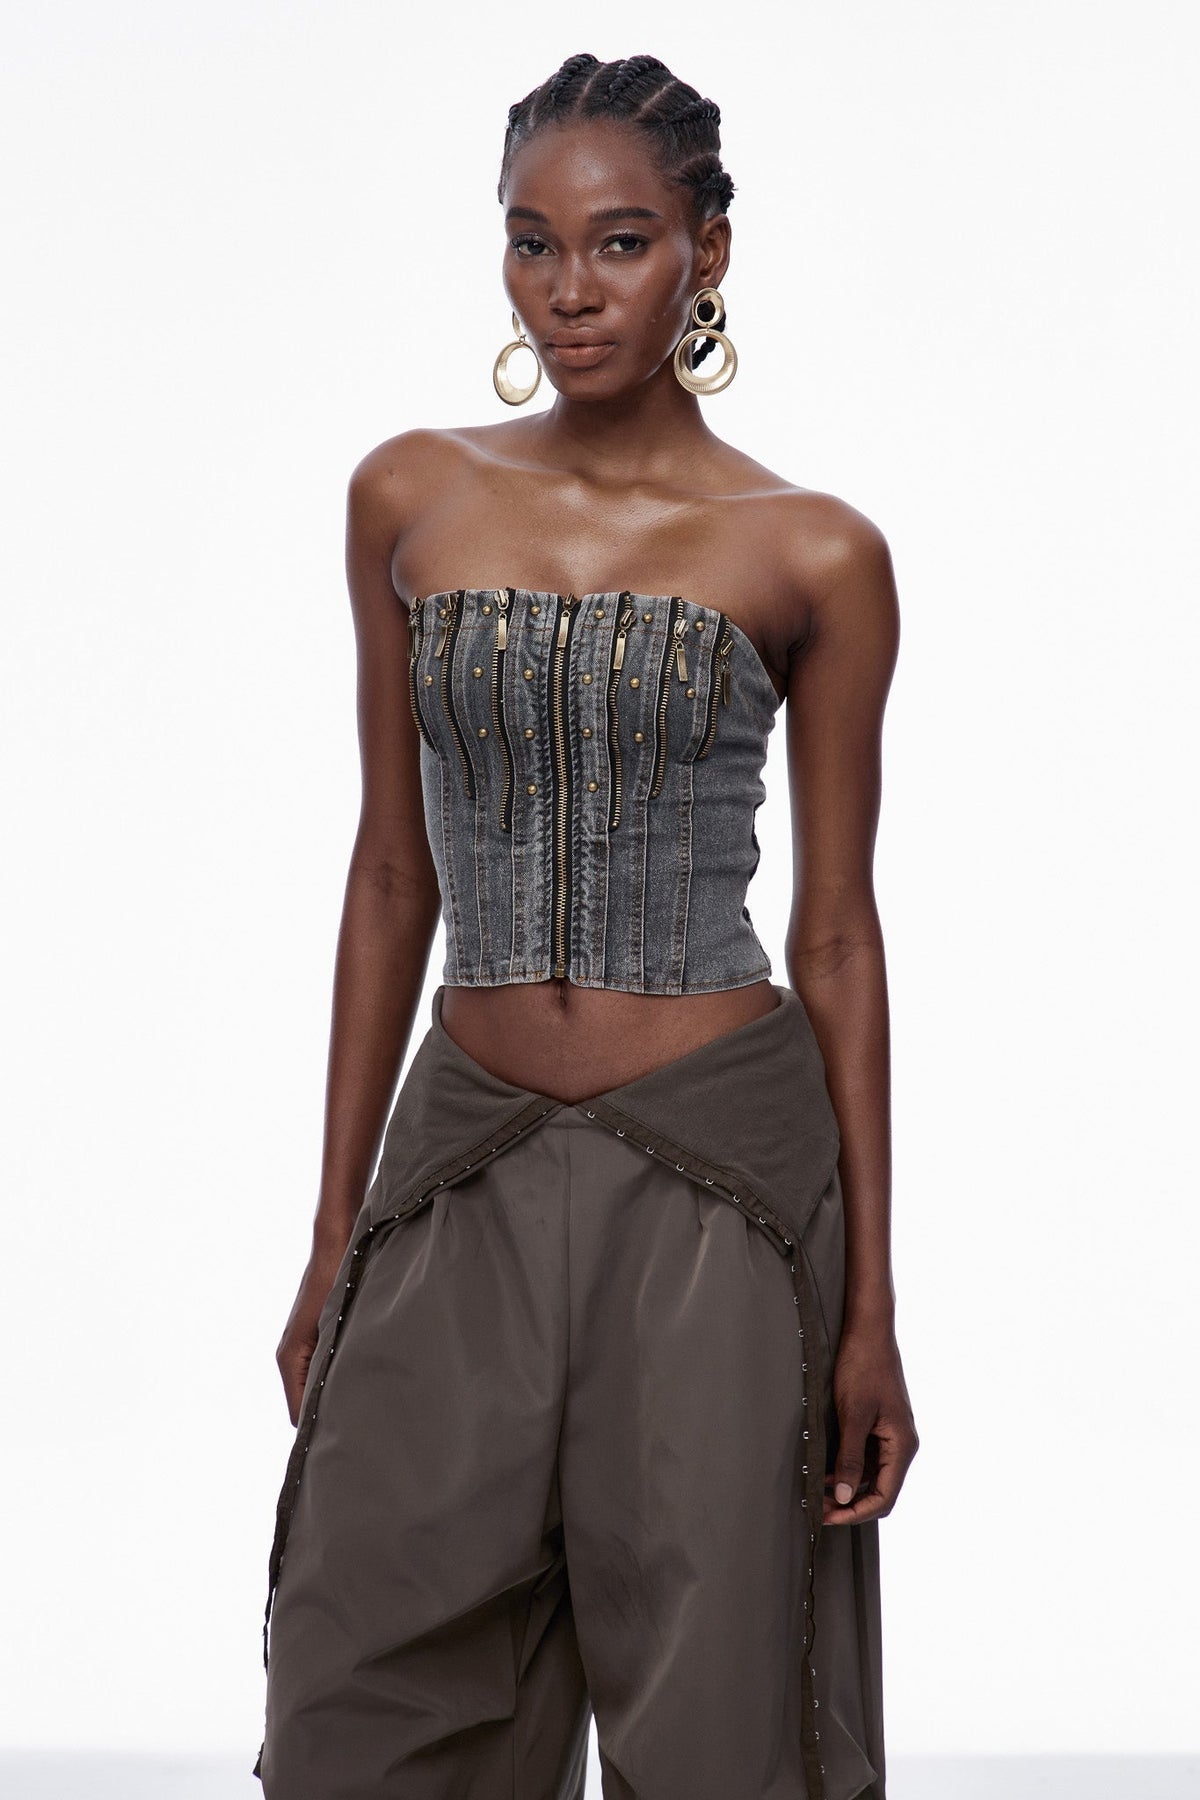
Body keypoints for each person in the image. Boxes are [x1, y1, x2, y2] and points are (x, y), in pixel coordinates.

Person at [252, 50, 918, 1800]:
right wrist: (332, 1233)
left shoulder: (815, 551)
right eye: (531, 242)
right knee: (364, 1679)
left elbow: (837, 936)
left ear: (709, 251)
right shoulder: (407, 498)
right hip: (461, 1150)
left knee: (718, 1699)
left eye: (620, 243)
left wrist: (873, 1314)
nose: (568, 290)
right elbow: (389, 875)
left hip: (719, 1165)